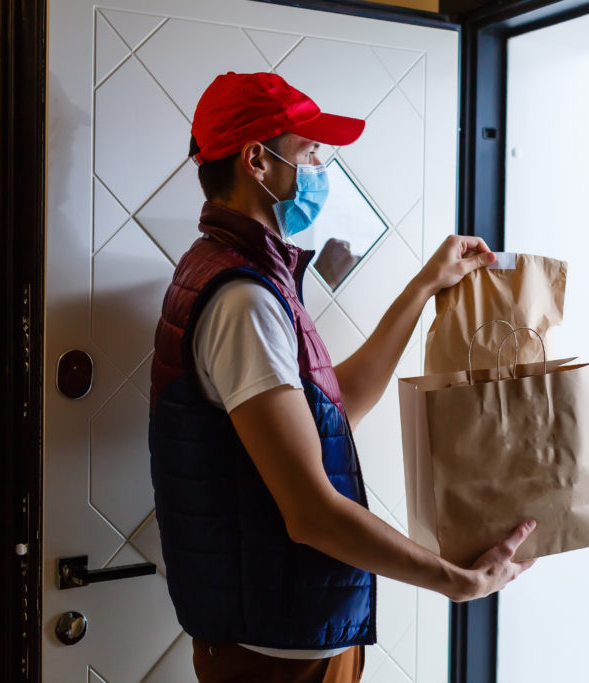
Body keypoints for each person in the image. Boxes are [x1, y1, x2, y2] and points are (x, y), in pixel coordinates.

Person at [148, 71, 536, 683]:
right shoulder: (242, 302)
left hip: (286, 639)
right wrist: (454, 581)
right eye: (310, 152)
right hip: (275, 657)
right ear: (257, 161)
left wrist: (424, 286)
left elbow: (337, 406)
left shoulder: (243, 274)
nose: (322, 168)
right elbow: (311, 513)